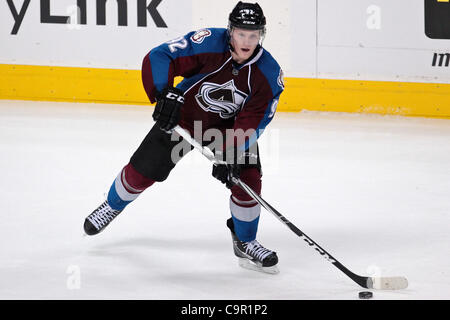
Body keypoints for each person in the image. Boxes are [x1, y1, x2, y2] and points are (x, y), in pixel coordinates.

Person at [84, 1, 284, 274]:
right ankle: (112, 205)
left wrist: (229, 152)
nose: (246, 41)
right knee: (141, 173)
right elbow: (160, 56)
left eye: (253, 35)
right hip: (184, 120)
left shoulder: (268, 73)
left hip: (228, 130)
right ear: (230, 31)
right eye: (241, 34)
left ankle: (246, 241)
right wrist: (163, 93)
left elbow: (254, 119)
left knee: (247, 180)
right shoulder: (209, 42)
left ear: (261, 35)